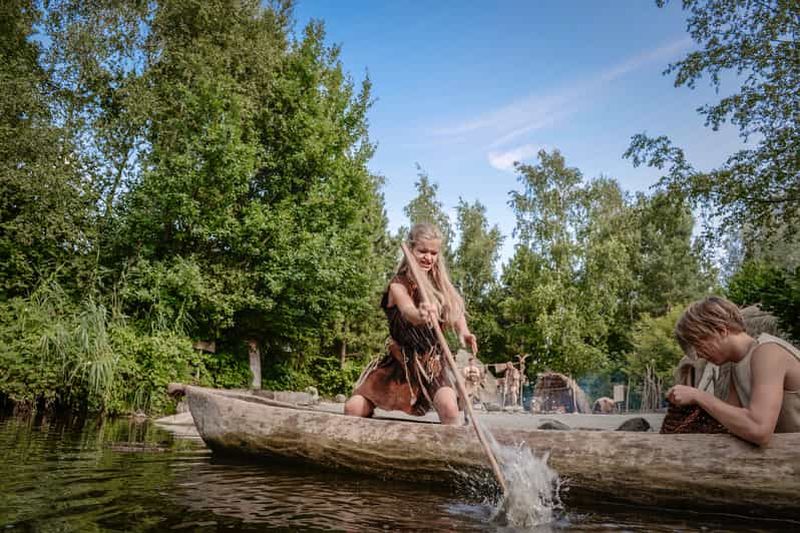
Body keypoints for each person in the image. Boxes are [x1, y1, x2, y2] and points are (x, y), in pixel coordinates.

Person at [344, 223, 478, 425]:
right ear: (410, 250)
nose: (428, 257)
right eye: (422, 251)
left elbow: (456, 310)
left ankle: (448, 450)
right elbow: (407, 310)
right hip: (399, 362)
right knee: (353, 408)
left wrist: (465, 332)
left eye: (433, 253)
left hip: (431, 364)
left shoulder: (439, 285)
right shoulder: (398, 284)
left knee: (449, 409)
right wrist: (421, 314)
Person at [667, 296, 800, 445]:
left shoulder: (768, 353)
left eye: (698, 345)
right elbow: (733, 422)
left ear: (721, 331)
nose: (697, 355)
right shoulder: (734, 366)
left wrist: (698, 396)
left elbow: (759, 429)